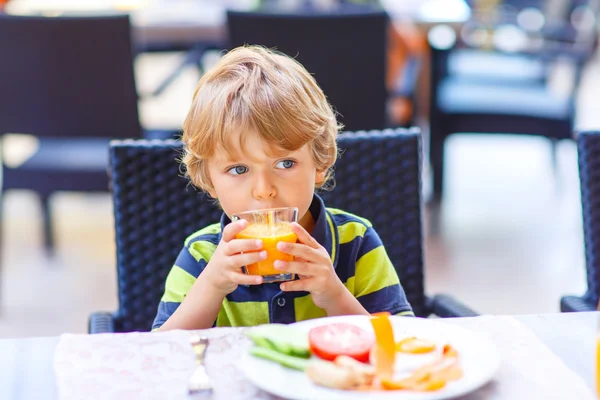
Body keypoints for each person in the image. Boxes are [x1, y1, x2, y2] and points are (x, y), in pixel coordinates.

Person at [153, 45, 413, 331]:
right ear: (208, 179)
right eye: (239, 169)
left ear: (320, 160)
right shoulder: (202, 256)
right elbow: (162, 355)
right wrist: (212, 287)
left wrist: (335, 296)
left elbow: (399, 344)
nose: (264, 190)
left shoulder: (357, 243)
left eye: (285, 164)